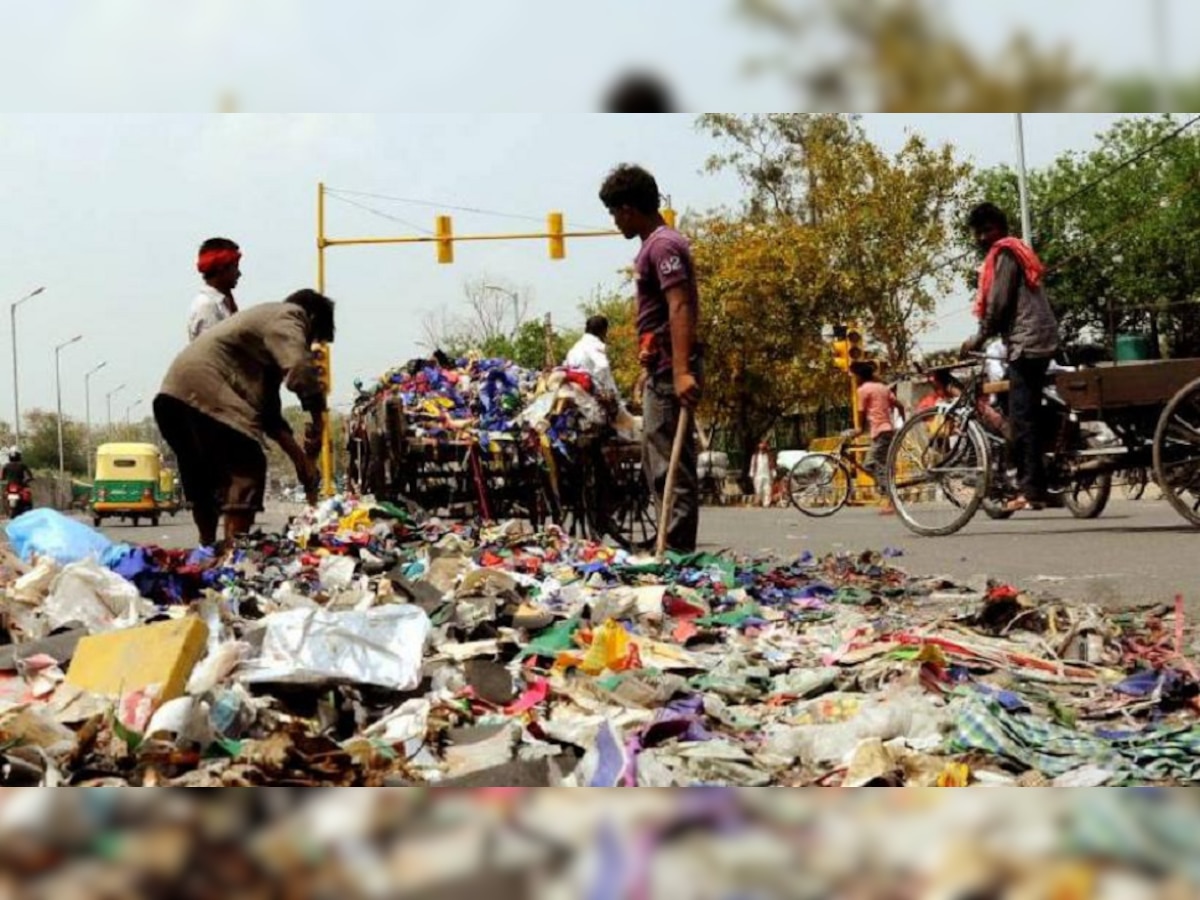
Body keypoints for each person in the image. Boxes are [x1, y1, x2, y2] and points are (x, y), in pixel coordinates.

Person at [155, 289, 333, 548]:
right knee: (246, 468)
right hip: (207, 393)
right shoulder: (290, 315)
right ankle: (233, 556)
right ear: (312, 317)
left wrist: (302, 461)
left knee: (201, 475)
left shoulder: (257, 339)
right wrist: (318, 421)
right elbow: (299, 368)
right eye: (313, 338)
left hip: (173, 397)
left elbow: (269, 416)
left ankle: (206, 549)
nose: (308, 344)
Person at [600, 163, 701, 553]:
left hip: (669, 371)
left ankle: (676, 553)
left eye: (614, 213)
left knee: (670, 470)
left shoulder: (663, 246)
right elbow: (662, 314)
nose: (614, 222)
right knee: (657, 466)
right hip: (658, 365)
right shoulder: (656, 246)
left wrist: (680, 372)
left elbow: (679, 306)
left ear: (628, 208)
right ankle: (670, 546)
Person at [960, 203, 1060, 512]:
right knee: (1032, 410)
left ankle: (1031, 490)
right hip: (1041, 336)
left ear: (998, 229)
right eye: (977, 232)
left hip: (1026, 341)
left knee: (1021, 417)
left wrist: (979, 336)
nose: (980, 237)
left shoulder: (1004, 254)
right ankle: (1046, 477)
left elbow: (999, 304)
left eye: (985, 230)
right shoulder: (1016, 250)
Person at [845, 361, 905, 515]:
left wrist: (858, 430)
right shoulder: (883, 388)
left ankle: (890, 498)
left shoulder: (863, 390)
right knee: (880, 465)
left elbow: (861, 412)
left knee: (871, 464)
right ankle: (888, 491)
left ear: (858, 376)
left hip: (880, 432)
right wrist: (903, 424)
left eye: (854, 376)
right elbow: (900, 406)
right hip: (889, 431)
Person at [188, 237, 243, 342]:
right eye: (235, 267)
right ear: (221, 269)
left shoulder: (223, 304)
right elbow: (212, 352)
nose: (238, 274)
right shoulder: (207, 306)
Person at [565, 315, 621, 404]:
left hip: (576, 397)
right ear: (603, 331)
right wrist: (597, 387)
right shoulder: (595, 345)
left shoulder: (574, 348)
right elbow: (603, 366)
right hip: (597, 400)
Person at [749, 441, 774, 509]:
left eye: (763, 448)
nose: (762, 450)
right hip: (757, 475)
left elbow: (771, 466)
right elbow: (752, 466)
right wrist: (751, 474)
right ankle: (760, 502)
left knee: (767, 489)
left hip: (767, 475)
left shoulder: (769, 456)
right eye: (761, 448)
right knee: (758, 490)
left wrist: (773, 474)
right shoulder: (755, 457)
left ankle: (766, 503)